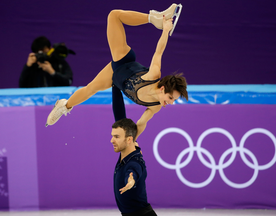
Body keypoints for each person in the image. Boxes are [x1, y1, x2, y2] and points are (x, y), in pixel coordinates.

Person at [46, 4, 188, 141]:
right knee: (114, 16)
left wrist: (131, 144)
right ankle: (155, 19)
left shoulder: (156, 106)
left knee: (90, 89)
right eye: (170, 98)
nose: (170, 102)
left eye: (173, 100)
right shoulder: (154, 75)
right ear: (162, 88)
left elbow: (140, 124)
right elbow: (159, 51)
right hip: (123, 60)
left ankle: (63, 105)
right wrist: (165, 30)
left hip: (116, 77)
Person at [111, 118, 157, 216]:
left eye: (116, 137)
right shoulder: (126, 154)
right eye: (112, 136)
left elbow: (133, 171)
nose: (112, 140)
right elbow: (119, 113)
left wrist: (131, 181)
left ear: (129, 139)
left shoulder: (134, 162)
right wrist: (116, 101)